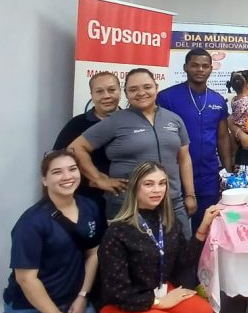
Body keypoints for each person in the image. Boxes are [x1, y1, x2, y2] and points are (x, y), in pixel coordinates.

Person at [98, 162, 218, 313]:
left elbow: (183, 261)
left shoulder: (168, 223)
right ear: (135, 188)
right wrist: (158, 302)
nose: (157, 190)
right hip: (121, 306)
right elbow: (116, 292)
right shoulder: (117, 233)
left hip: (158, 291)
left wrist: (203, 228)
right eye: (149, 184)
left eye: (162, 183)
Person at [3, 150, 107, 313]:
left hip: (72, 299)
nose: (67, 176)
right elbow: (26, 279)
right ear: (45, 180)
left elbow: (92, 253)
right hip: (30, 308)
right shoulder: (31, 223)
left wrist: (82, 297)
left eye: (72, 169)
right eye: (57, 172)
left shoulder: (89, 206)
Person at [69, 68, 196, 238]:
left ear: (156, 87)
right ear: (126, 94)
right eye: (133, 89)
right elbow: (77, 148)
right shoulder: (115, 121)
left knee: (183, 256)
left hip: (171, 203)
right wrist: (99, 179)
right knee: (132, 260)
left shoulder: (174, 119)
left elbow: (184, 158)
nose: (141, 93)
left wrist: (190, 194)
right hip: (129, 205)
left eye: (147, 87)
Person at [157, 48, 233, 233]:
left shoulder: (218, 100)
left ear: (211, 69)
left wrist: (228, 171)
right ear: (185, 67)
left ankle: (202, 263)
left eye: (205, 66)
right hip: (174, 175)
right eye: (195, 65)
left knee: (206, 228)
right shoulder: (167, 97)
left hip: (208, 175)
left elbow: (223, 138)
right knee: (173, 230)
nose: (200, 69)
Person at [53, 72, 122, 219]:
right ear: (91, 94)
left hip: (126, 200)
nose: (106, 96)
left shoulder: (133, 122)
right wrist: (96, 179)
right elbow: (56, 161)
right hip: (86, 200)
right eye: (99, 91)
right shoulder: (76, 125)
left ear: (120, 91)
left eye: (111, 90)